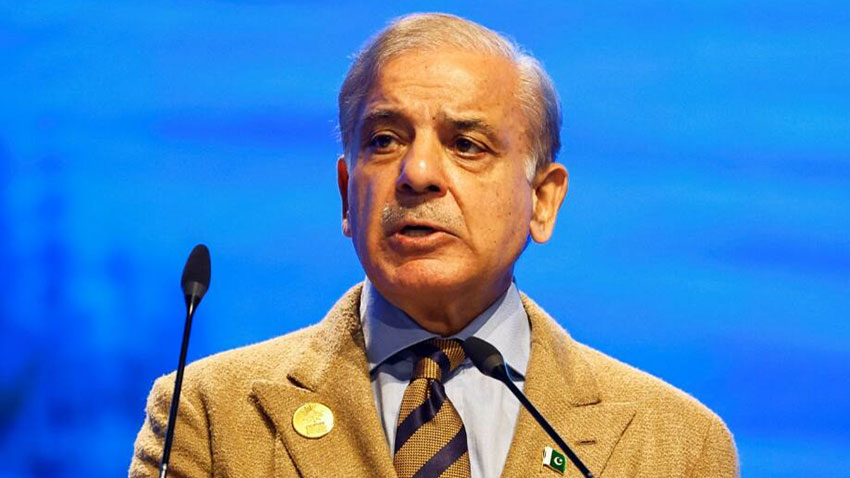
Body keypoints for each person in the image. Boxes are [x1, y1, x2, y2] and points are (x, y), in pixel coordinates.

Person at [130, 13, 739, 478]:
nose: (417, 173)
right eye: (384, 140)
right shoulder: (209, 414)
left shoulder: (675, 445)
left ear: (542, 200)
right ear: (346, 195)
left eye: (466, 145)